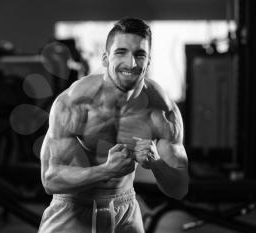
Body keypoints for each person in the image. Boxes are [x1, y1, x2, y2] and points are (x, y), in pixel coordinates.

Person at [38, 17, 189, 233]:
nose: (131, 63)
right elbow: (50, 180)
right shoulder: (74, 102)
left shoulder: (162, 110)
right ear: (106, 58)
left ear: (148, 61)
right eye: (121, 52)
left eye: (140, 54)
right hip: (72, 208)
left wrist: (156, 162)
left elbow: (180, 188)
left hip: (125, 209)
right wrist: (106, 170)